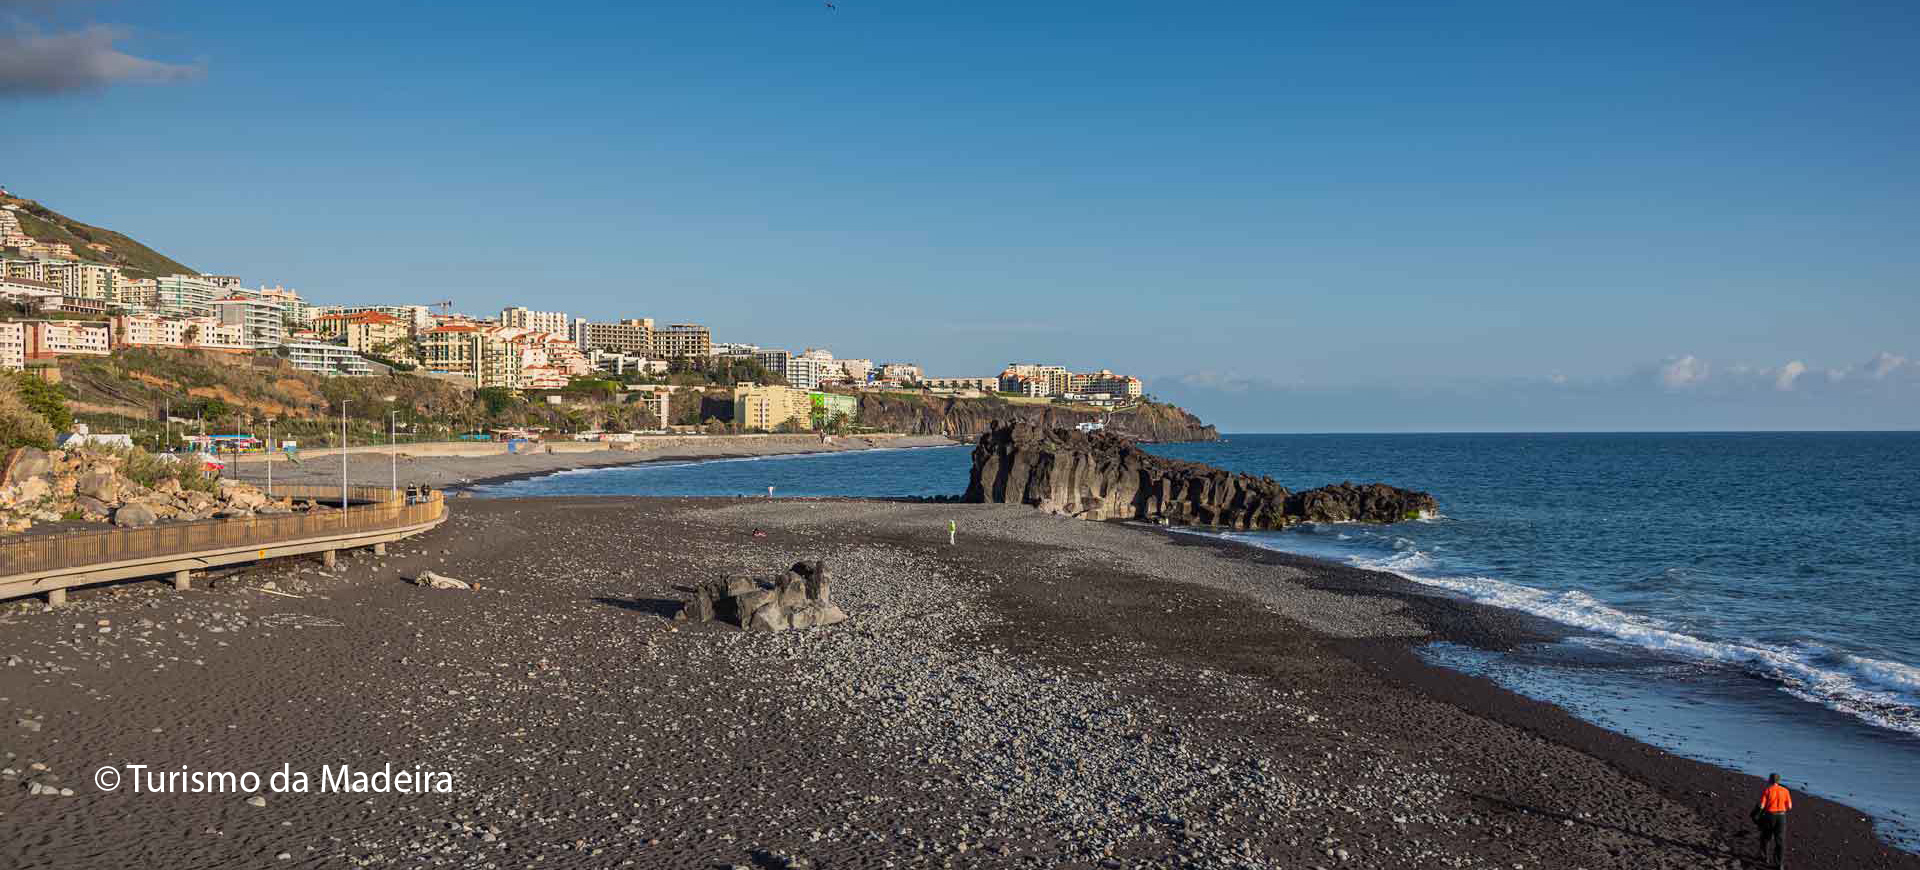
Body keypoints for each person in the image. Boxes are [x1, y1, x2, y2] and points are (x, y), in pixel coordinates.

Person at [1755, 773, 1792, 868]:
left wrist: (1756, 813)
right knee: (1780, 840)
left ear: (1770, 780)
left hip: (1770, 815)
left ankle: (1764, 857)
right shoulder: (1785, 790)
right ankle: (1779, 863)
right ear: (1778, 781)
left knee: (1766, 837)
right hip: (1781, 816)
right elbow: (1789, 806)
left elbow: (1761, 805)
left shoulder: (1767, 790)